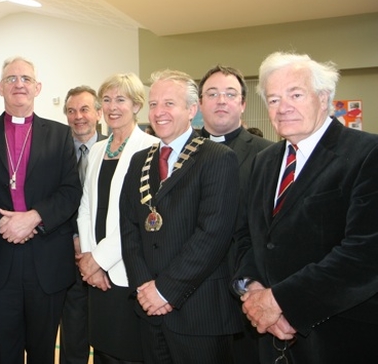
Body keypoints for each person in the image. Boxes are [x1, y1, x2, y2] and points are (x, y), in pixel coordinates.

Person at [234, 52, 378, 364]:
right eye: (273, 100)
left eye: (295, 94)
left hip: (339, 338)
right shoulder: (263, 162)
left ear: (324, 97)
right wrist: (254, 290)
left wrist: (280, 302)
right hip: (270, 337)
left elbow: (365, 254)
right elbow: (248, 237)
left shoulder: (367, 154)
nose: (282, 107)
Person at [0, 56, 82, 364]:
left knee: (43, 353)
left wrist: (33, 217)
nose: (19, 84)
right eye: (11, 79)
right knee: (4, 352)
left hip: (47, 259)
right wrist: (5, 224)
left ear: (37, 88)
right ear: (0, 88)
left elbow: (70, 192)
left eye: (26, 79)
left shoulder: (59, 134)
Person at [119, 69, 242, 363]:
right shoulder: (139, 161)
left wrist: (165, 291)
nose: (158, 113)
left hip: (198, 313)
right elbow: (129, 227)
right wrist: (144, 287)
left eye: (169, 104)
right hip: (149, 310)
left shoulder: (217, 158)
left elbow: (212, 235)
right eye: (153, 104)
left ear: (191, 110)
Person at [77, 74, 157, 363]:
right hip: (95, 272)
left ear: (136, 105)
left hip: (126, 268)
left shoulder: (151, 148)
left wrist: (99, 259)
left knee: (128, 351)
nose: (112, 107)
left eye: (120, 100)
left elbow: (138, 218)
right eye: (107, 100)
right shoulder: (98, 149)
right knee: (101, 349)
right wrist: (89, 259)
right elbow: (86, 205)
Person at [198, 65, 273, 363]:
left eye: (230, 94)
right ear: (200, 104)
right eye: (212, 94)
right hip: (191, 293)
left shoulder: (268, 155)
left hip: (242, 288)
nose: (221, 100)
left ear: (243, 104)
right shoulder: (180, 151)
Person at [61, 85, 106, 364]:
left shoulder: (116, 150)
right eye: (71, 110)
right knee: (73, 338)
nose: (78, 116)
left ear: (98, 113)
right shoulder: (55, 150)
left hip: (106, 259)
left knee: (107, 338)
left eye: (85, 109)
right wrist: (74, 238)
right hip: (68, 257)